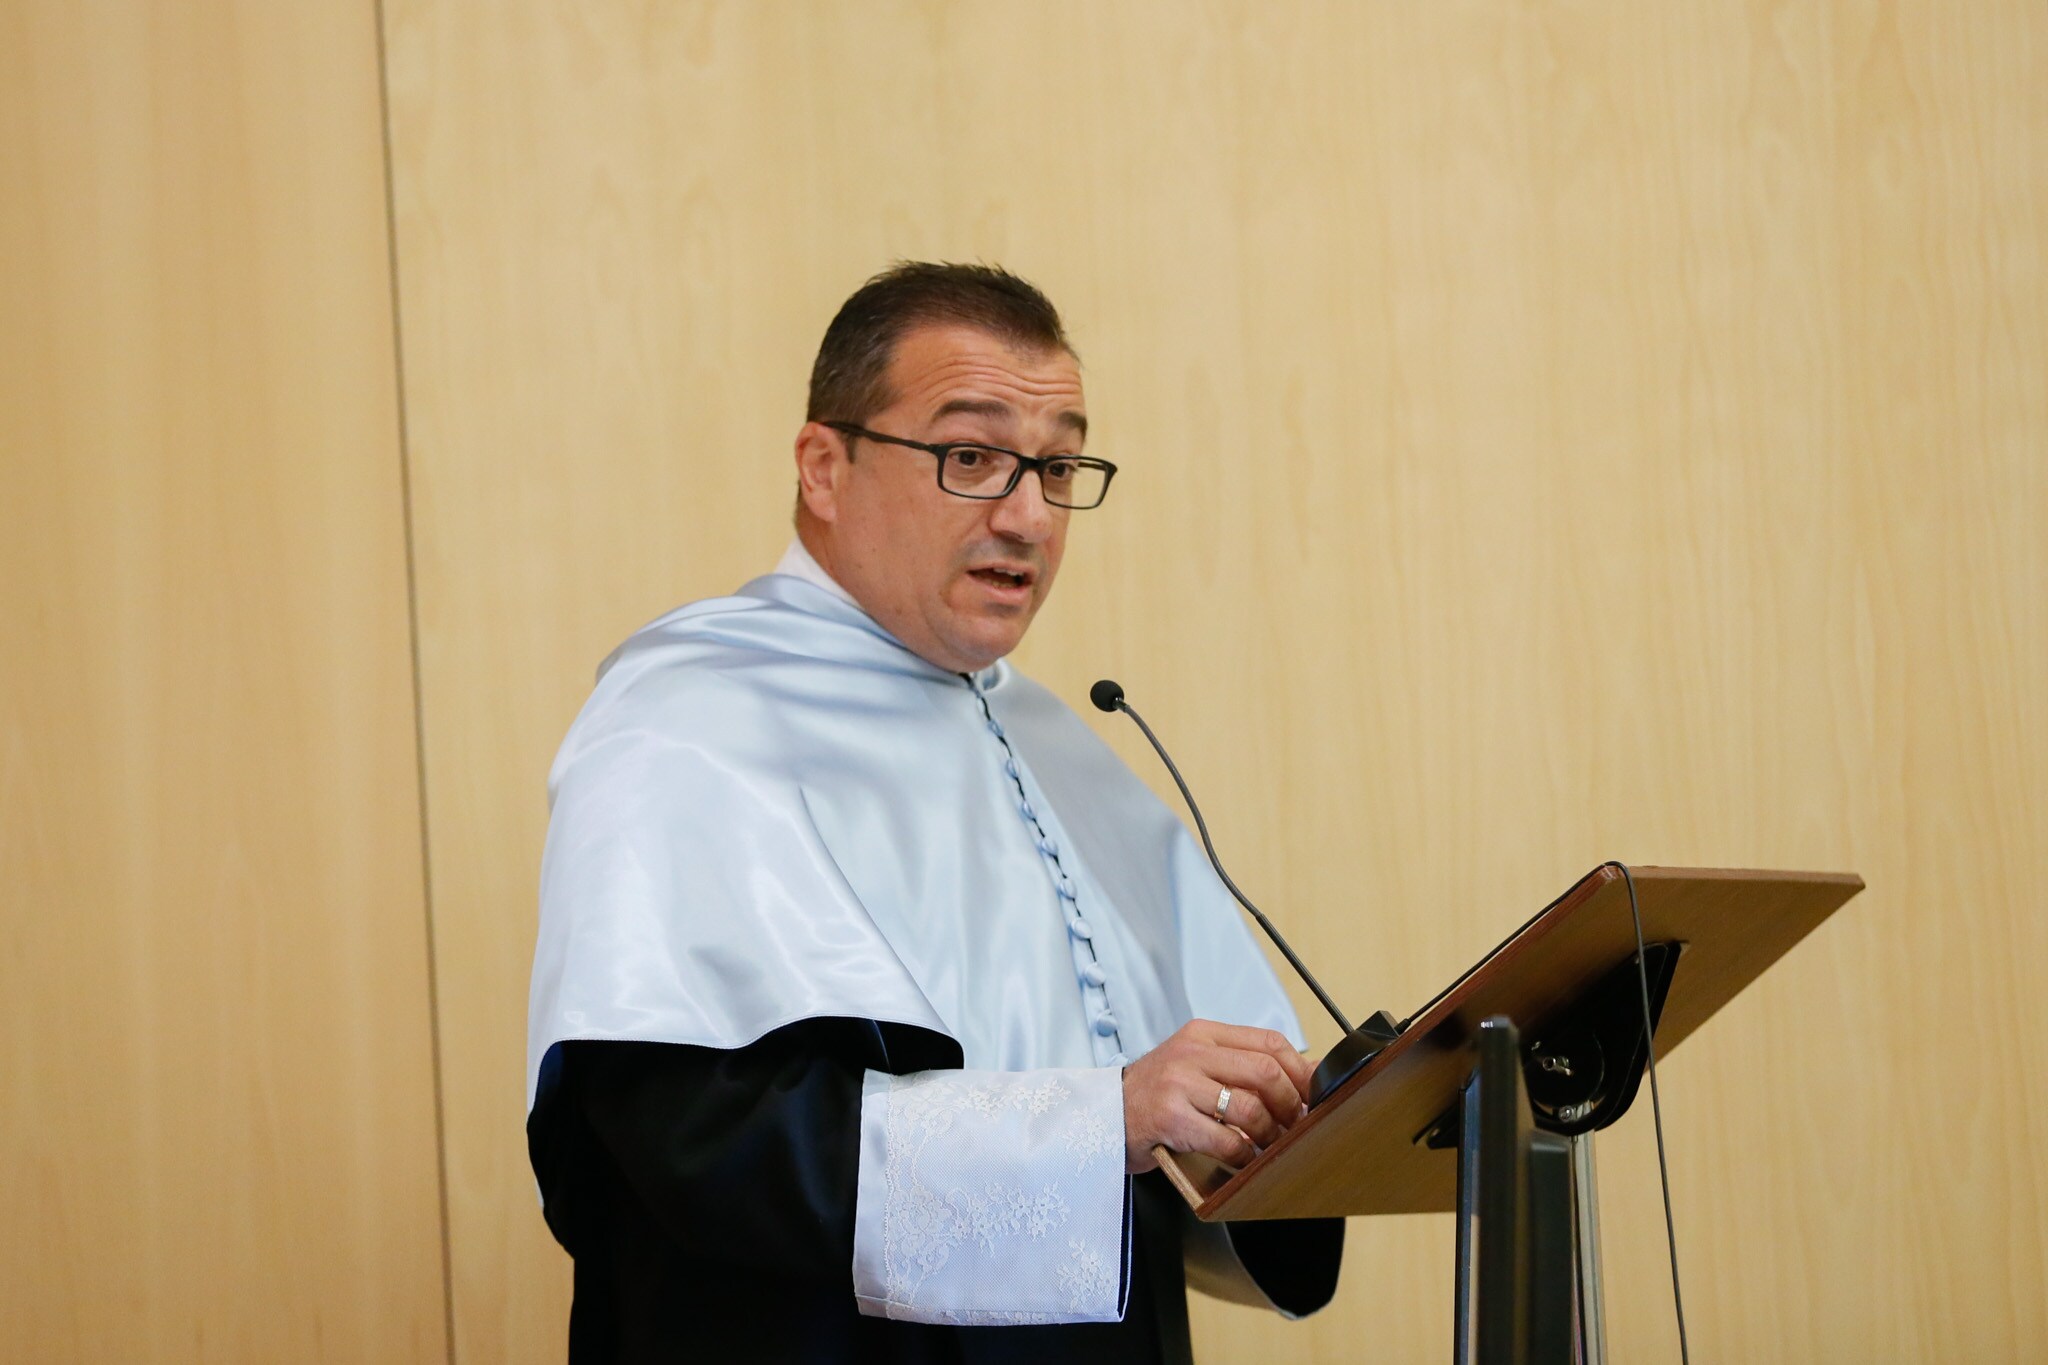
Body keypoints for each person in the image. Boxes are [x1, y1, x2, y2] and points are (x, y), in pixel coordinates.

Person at [527, 262, 1344, 1363]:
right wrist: (1095, 1121)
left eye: (1056, 465)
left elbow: (1166, 1160)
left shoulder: (1061, 746)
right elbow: (693, 1146)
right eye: (970, 457)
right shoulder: (684, 723)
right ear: (825, 467)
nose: (1027, 515)